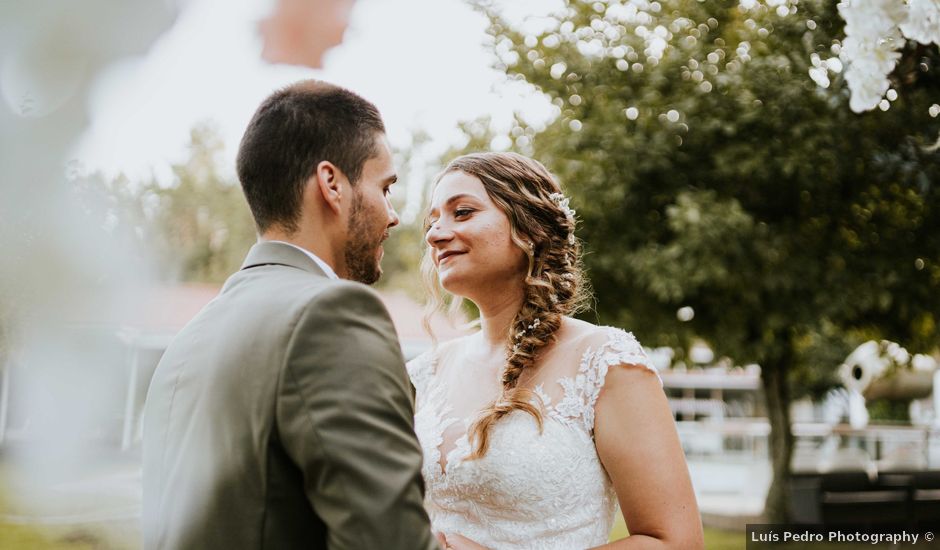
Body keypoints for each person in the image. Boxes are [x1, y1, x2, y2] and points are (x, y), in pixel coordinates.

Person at [142, 80, 440, 550]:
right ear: (332, 184)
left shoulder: (189, 341)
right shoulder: (332, 315)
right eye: (385, 187)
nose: (393, 214)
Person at [409, 152, 704, 549]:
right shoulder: (424, 372)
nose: (435, 234)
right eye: (433, 221)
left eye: (462, 212)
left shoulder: (605, 361)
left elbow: (676, 542)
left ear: (529, 229)